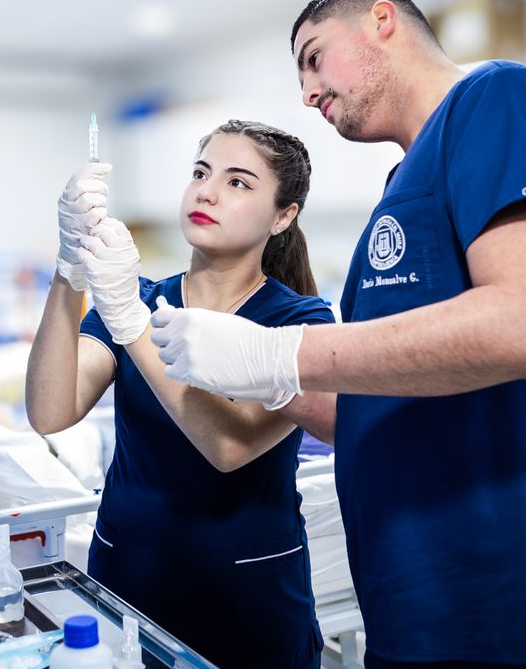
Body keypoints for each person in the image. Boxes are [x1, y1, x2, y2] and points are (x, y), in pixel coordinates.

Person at [151, 0, 526, 669]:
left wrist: (280, 353)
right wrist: (256, 375)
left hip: (516, 594)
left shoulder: (500, 100)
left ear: (382, 21)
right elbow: (377, 404)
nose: (307, 93)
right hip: (414, 598)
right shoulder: (402, 185)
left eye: (314, 57)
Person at [26, 120, 336, 668]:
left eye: (237, 182)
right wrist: (69, 270)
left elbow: (230, 447)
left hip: (248, 601)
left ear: (283, 216)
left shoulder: (298, 321)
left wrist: (131, 321)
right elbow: (50, 411)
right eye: (200, 173)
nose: (207, 192)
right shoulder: (139, 297)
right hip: (128, 585)